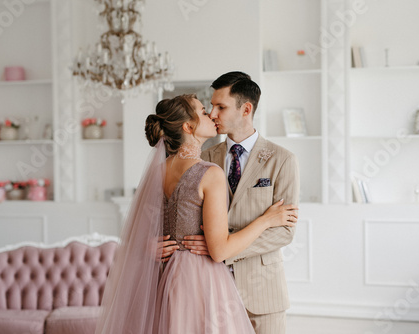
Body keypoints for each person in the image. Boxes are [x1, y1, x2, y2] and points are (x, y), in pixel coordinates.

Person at [94, 94, 298, 334]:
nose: (211, 114)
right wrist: (267, 220)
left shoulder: (158, 171)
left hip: (167, 276)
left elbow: (144, 227)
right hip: (200, 279)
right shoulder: (209, 172)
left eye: (216, 107)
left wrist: (150, 245)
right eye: (204, 111)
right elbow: (220, 250)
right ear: (188, 126)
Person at [181, 72, 300, 334]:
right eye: (211, 106)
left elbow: (284, 231)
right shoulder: (204, 158)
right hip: (213, 288)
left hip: (264, 294)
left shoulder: (282, 160)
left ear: (246, 109)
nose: (213, 113)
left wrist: (223, 248)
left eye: (220, 107)